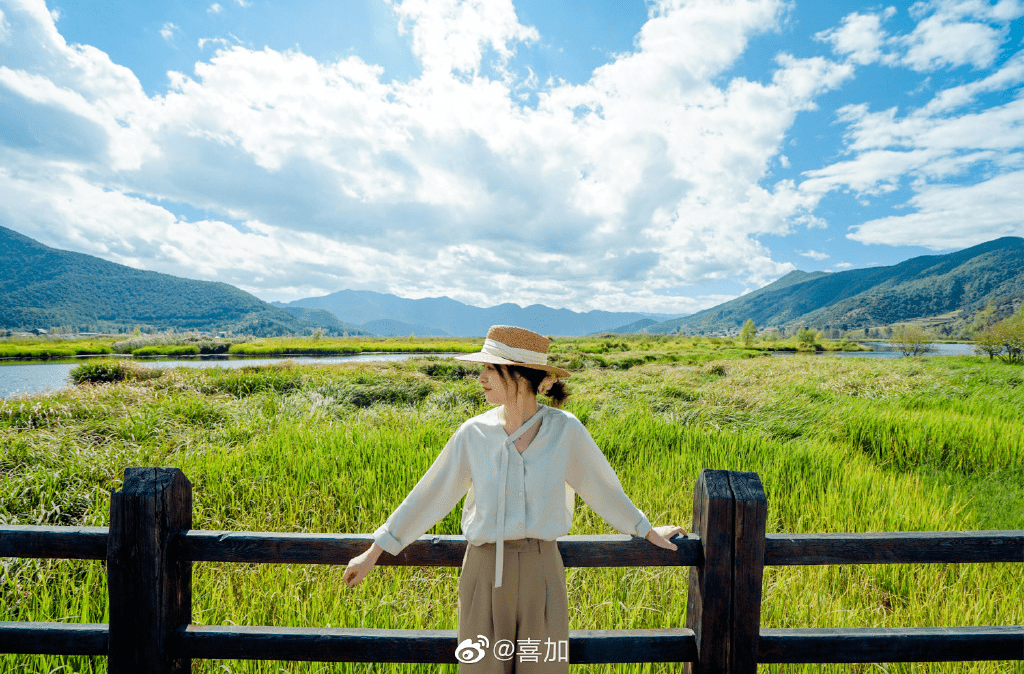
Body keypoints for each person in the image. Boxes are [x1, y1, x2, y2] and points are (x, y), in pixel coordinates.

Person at [343, 325, 686, 673]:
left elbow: (603, 489)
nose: (480, 377)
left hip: (543, 572)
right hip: (482, 571)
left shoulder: (566, 430)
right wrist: (374, 552)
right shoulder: (473, 434)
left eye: (490, 368)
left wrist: (645, 530)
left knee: (545, 670)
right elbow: (430, 494)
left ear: (520, 375)